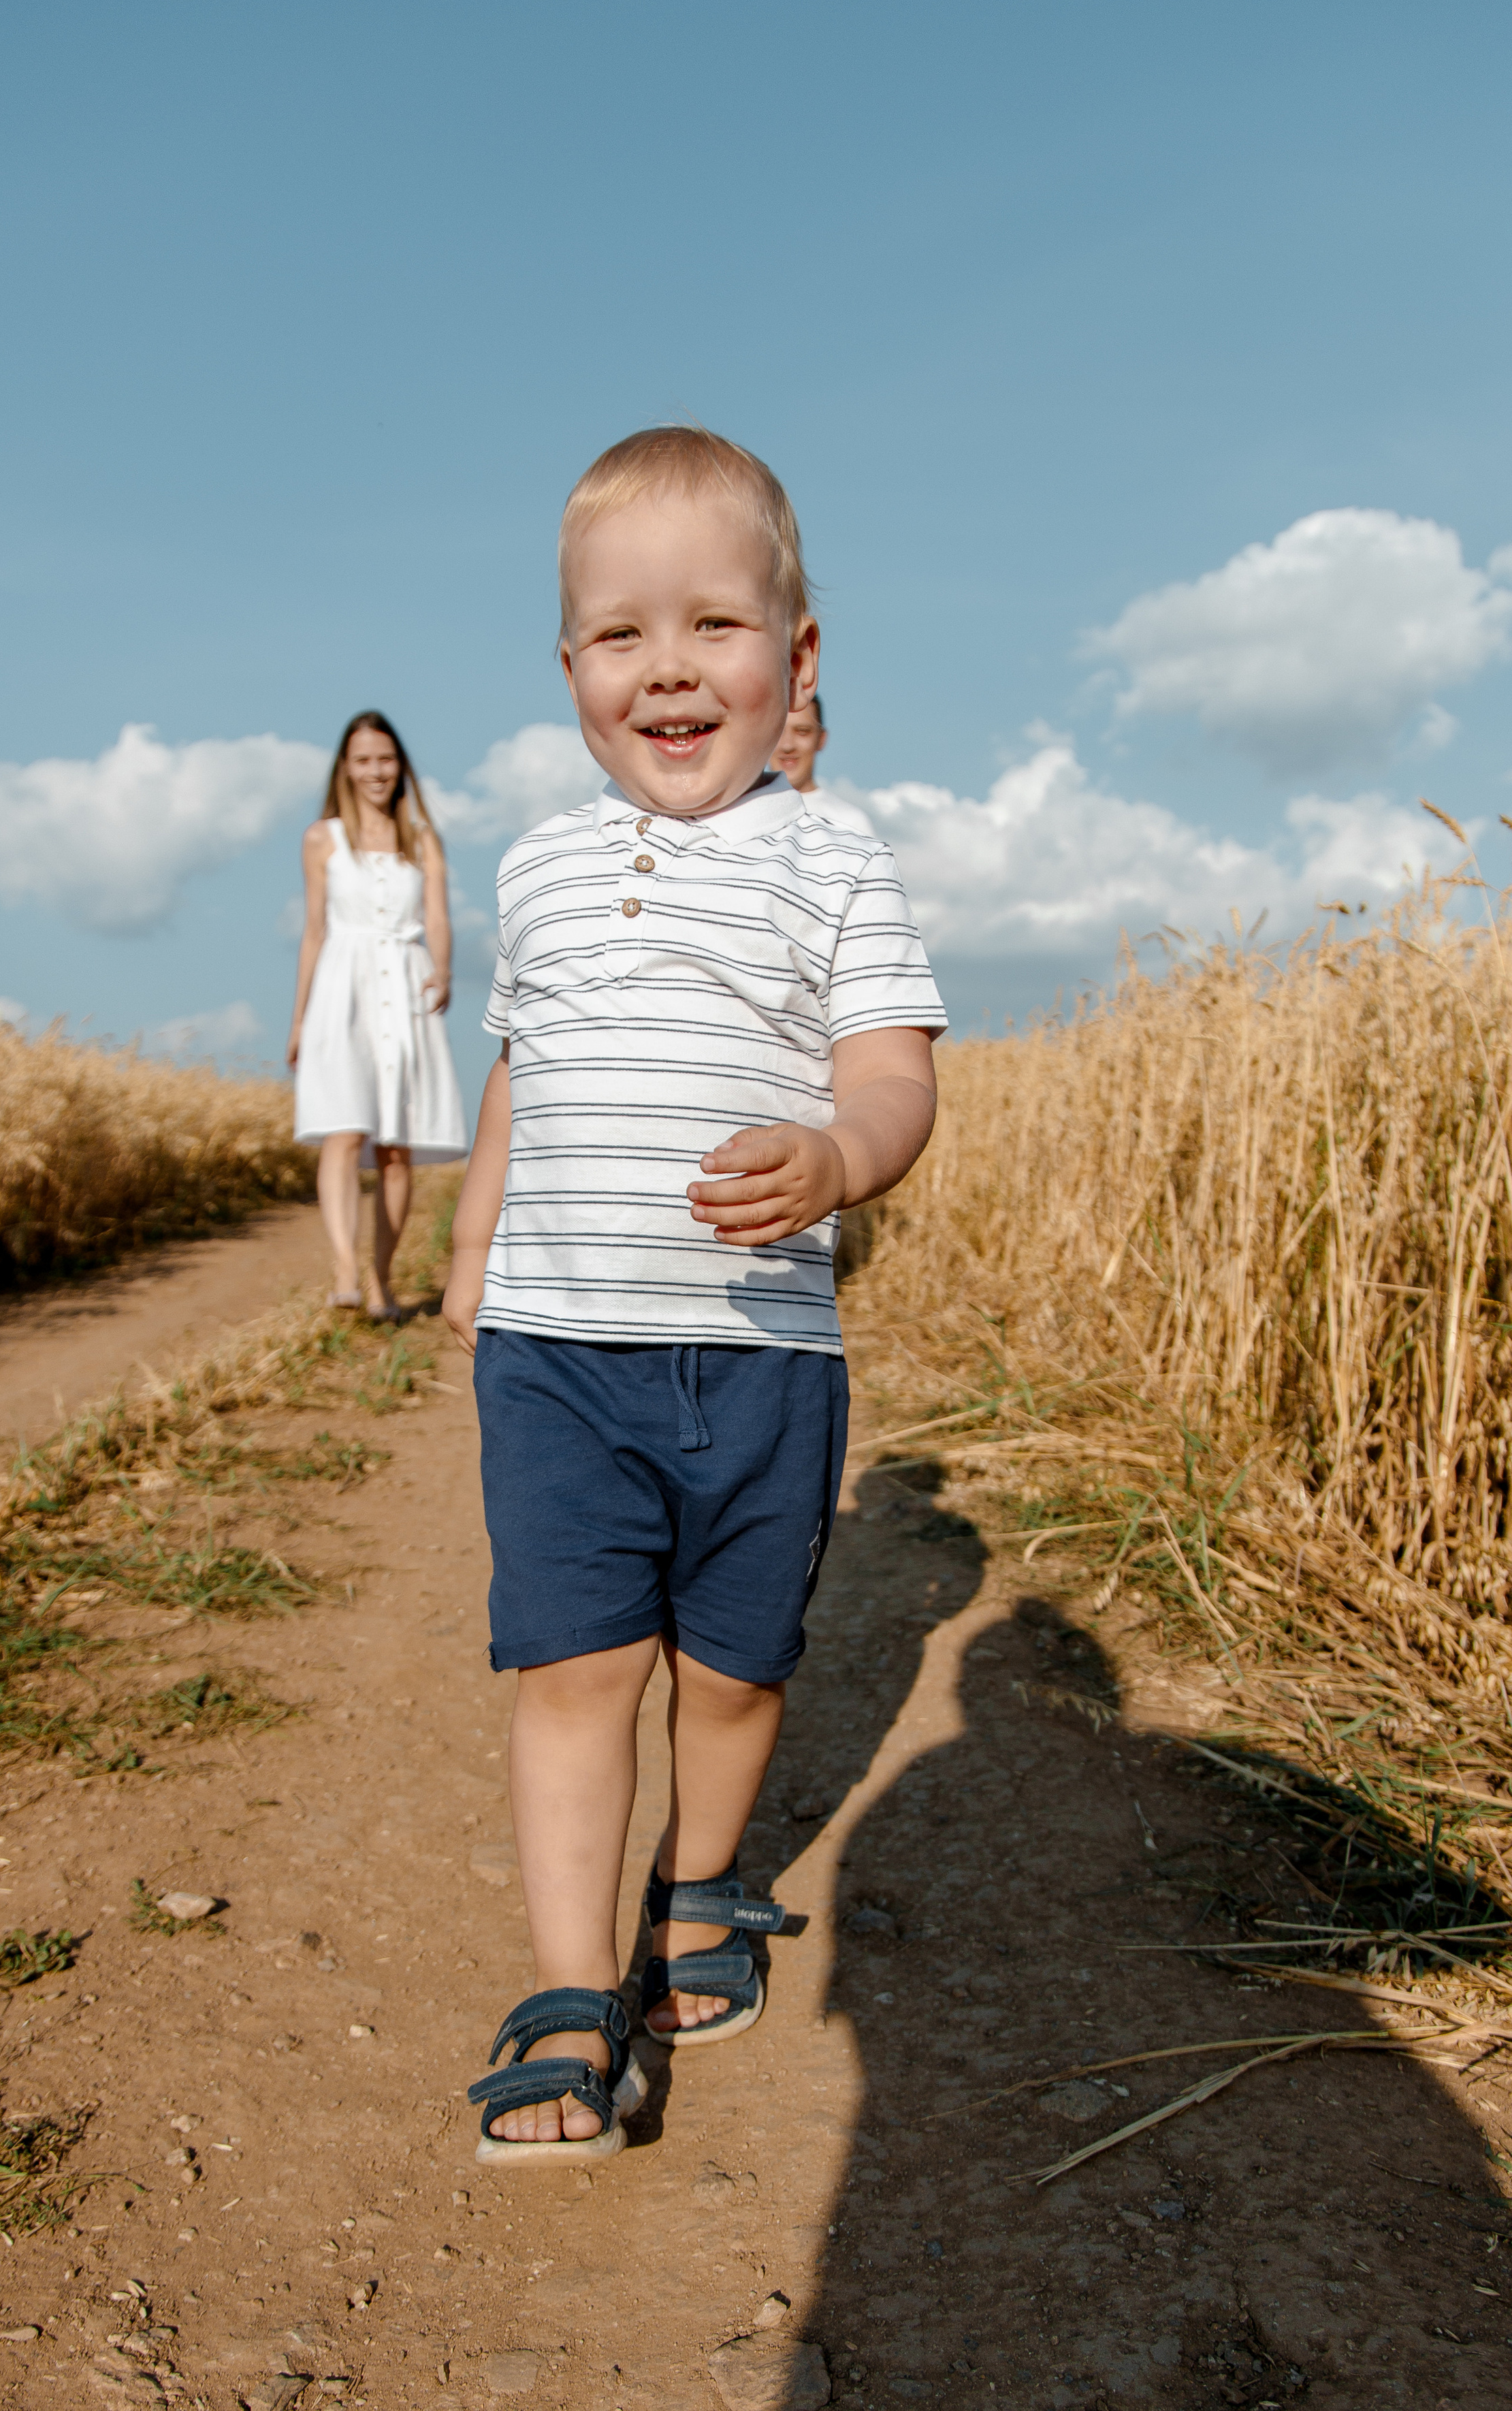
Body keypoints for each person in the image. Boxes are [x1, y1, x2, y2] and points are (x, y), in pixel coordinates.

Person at [443, 426, 945, 2162]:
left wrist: (836, 1154)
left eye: (715, 625)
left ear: (795, 659)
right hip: (559, 1353)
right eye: (618, 634)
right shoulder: (534, 866)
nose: (667, 664)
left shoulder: (836, 859)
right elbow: (525, 1070)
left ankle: (702, 1875)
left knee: (728, 1670)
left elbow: (892, 1072)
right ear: (571, 667)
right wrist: (470, 1248)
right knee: (575, 1665)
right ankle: (570, 1990)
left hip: (757, 1360)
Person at [289, 710, 467, 1319]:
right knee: (343, 1127)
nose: (375, 771)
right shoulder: (323, 838)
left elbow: (439, 918)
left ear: (401, 765)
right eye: (363, 760)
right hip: (343, 988)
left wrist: (441, 970)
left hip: (406, 984)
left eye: (385, 759)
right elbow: (314, 931)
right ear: (346, 766)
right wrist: (298, 1018)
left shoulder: (422, 837)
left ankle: (380, 1279)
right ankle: (343, 1262)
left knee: (396, 1145)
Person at [771, 693, 876, 834]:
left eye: (802, 732)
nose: (788, 746)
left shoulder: (850, 823)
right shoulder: (736, 812)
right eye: (778, 731)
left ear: (821, 739)